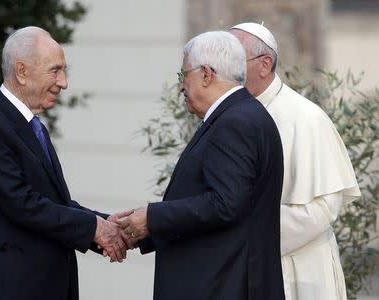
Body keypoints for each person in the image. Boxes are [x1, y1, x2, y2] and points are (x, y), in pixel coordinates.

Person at [0, 26, 131, 300]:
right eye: (55, 70)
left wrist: (104, 222)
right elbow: (23, 204)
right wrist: (95, 229)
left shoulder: (31, 127)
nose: (63, 82)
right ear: (22, 71)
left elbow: (53, 202)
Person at [118, 31, 285, 300]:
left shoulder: (234, 123)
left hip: (222, 286)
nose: (182, 86)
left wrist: (152, 218)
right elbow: (210, 202)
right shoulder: (242, 115)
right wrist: (144, 229)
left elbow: (224, 204)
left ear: (206, 74)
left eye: (184, 75)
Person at [229, 22, 361, 300]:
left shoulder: (306, 118)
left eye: (234, 59)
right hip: (242, 269)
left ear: (265, 64)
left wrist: (246, 235)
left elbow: (325, 206)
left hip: (301, 268)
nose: (225, 69)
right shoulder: (225, 117)